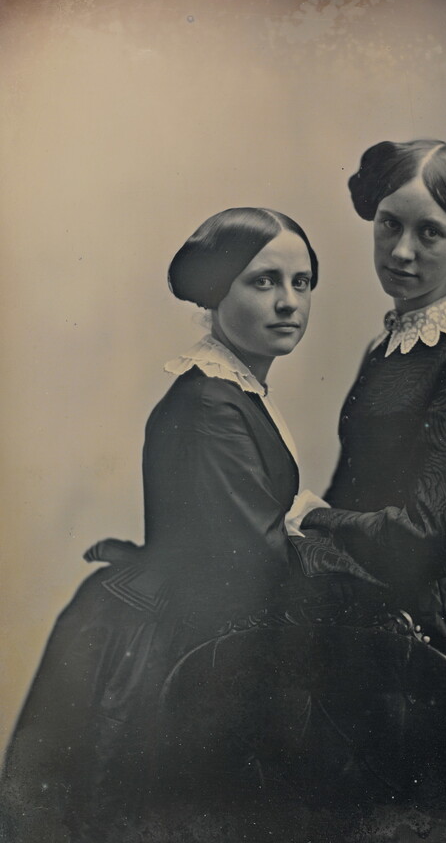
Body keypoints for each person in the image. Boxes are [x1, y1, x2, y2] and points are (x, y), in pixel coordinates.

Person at [0, 207, 322, 842]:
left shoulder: (235, 388)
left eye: (301, 282)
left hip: (191, 623)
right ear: (216, 289)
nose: (288, 303)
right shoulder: (210, 400)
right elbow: (255, 562)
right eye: (263, 282)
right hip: (182, 647)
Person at [298, 140, 446, 843]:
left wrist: (316, 519)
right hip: (367, 591)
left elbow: (420, 537)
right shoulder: (395, 341)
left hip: (441, 624)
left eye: (429, 232)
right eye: (388, 225)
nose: (401, 250)